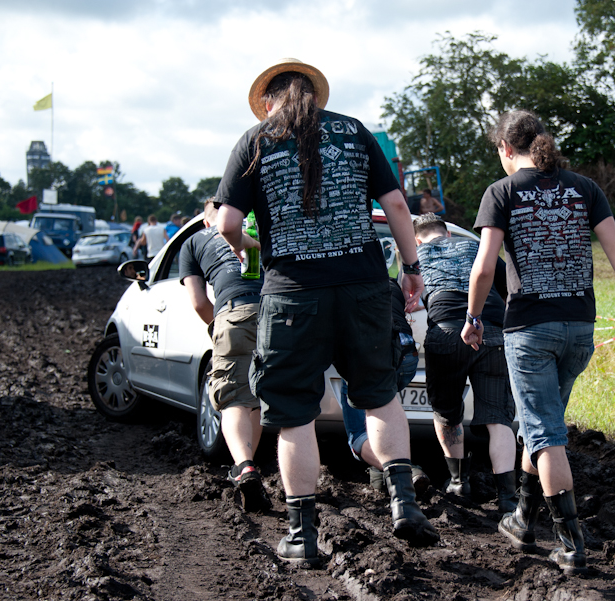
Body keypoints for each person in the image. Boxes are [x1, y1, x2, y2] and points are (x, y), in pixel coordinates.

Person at [214, 58, 439, 567]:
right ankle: (403, 504)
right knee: (381, 398)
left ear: (269, 101)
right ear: (314, 97)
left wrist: (248, 251)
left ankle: (302, 535)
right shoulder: (355, 132)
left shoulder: (255, 140)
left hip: (292, 293)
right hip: (363, 287)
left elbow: (226, 220)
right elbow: (399, 208)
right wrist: (411, 267)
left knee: (294, 416)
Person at [463, 110, 615, 574]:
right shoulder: (584, 188)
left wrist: (473, 317)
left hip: (530, 330)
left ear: (506, 150)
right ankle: (522, 520)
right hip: (579, 329)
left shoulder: (502, 192)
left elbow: (485, 267)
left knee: (546, 434)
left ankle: (572, 544)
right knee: (543, 425)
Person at [413, 213, 518, 512]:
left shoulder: (416, 257)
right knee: (498, 417)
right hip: (491, 332)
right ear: (447, 235)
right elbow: (508, 283)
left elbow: (409, 297)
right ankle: (508, 498)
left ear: (417, 240)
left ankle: (459, 482)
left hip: (445, 333)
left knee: (446, 412)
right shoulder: (474, 247)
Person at [180, 198, 269, 512]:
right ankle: (250, 466)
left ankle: (245, 467)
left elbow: (199, 303)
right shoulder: (255, 232)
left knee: (233, 398)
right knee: (258, 396)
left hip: (234, 312)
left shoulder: (193, 242)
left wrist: (221, 327)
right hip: (276, 313)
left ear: (207, 223)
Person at [339, 278, 430, 497]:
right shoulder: (393, 285)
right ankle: (379, 478)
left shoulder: (346, 281)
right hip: (406, 353)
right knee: (380, 411)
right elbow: (415, 304)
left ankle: (406, 471)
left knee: (359, 434)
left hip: (370, 352)